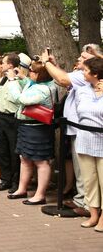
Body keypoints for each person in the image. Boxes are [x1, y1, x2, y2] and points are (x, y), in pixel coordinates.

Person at [42, 46, 98, 217]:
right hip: (75, 127)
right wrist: (55, 65)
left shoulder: (85, 76)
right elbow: (62, 79)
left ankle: (87, 203)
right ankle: (81, 198)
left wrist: (46, 62)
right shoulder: (82, 75)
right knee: (80, 167)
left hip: (84, 129)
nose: (79, 58)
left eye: (83, 56)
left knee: (84, 169)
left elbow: (63, 79)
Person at [7, 60, 57, 206]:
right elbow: (28, 85)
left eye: (32, 72)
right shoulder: (38, 84)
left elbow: (21, 99)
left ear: (39, 74)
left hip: (37, 128)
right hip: (26, 126)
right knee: (25, 158)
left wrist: (11, 80)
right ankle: (22, 189)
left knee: (41, 161)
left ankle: (40, 195)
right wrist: (22, 78)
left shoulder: (44, 89)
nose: (29, 73)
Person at [73, 57, 103, 230]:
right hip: (84, 140)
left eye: (85, 70)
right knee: (89, 180)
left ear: (96, 73)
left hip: (102, 141)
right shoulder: (82, 90)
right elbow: (79, 111)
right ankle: (93, 214)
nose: (82, 72)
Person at [0, 53, 25, 193]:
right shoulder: (4, 79)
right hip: (1, 115)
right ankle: (5, 179)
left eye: (4, 62)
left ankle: (15, 181)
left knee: (13, 151)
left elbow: (18, 98)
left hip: (13, 118)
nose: (2, 64)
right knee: (1, 149)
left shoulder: (19, 79)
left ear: (11, 65)